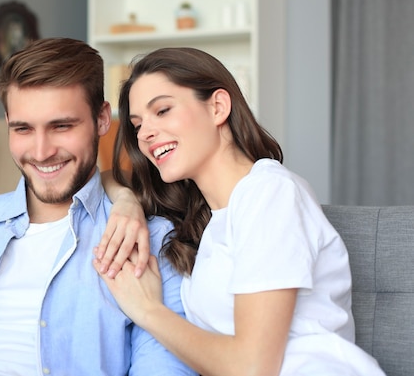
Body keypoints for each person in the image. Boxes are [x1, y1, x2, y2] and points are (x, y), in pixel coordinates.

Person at [0, 38, 196, 376]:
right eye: (22, 128)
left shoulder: (146, 240)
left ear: (102, 119)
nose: (41, 151)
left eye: (61, 126)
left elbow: (163, 368)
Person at [93, 47, 386, 376]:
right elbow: (103, 178)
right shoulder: (210, 217)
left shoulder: (270, 194)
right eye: (136, 124)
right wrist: (127, 203)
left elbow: (253, 366)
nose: (145, 134)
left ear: (218, 107)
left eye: (162, 110)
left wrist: (148, 310)